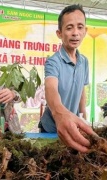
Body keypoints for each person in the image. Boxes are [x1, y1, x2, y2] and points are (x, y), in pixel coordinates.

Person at [38, 4, 95, 153]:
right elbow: (51, 89)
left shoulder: (84, 62)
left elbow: (82, 92)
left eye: (80, 27)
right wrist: (59, 114)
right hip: (51, 128)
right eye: (69, 28)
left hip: (73, 127)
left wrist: (83, 119)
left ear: (85, 31)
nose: (75, 33)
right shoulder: (53, 61)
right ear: (60, 33)